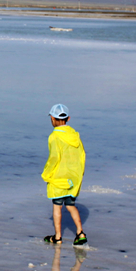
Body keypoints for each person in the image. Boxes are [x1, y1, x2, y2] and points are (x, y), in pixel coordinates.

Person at [41, 103, 87, 245]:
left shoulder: (54, 136)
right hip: (73, 176)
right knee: (71, 205)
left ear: (53, 119)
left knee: (57, 206)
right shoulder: (75, 135)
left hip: (59, 177)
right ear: (68, 118)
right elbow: (82, 156)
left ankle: (58, 237)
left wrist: (46, 174)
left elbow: (54, 158)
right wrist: (78, 175)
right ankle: (80, 233)